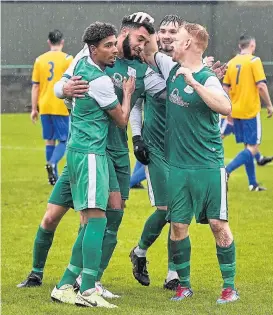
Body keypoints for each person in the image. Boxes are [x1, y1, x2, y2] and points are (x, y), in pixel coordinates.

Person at [17, 12, 164, 298]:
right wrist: (64, 88)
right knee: (54, 217)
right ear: (124, 34)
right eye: (140, 39)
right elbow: (62, 84)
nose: (142, 46)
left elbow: (157, 97)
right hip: (88, 150)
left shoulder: (143, 69)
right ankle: (39, 273)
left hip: (115, 152)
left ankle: (91, 281)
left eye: (148, 41)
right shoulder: (92, 54)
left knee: (111, 215)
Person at [143, 21, 239, 304]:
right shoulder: (171, 68)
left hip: (208, 166)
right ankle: (184, 285)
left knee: (218, 225)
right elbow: (148, 47)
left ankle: (229, 287)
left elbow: (226, 107)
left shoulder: (207, 78)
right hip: (178, 168)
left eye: (177, 37)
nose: (168, 41)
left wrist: (194, 83)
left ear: (187, 45)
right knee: (178, 226)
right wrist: (146, 25)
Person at [49, 22, 135, 308]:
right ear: (92, 48)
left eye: (114, 44)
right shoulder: (98, 81)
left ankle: (64, 285)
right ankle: (88, 289)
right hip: (90, 154)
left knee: (91, 219)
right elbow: (122, 120)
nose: (113, 50)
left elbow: (63, 84)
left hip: (81, 151)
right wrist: (128, 92)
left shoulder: (81, 62)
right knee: (97, 219)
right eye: (107, 46)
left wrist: (63, 89)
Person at [129, 15, 185, 291]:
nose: (165, 35)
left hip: (184, 149)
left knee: (179, 213)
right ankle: (140, 252)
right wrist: (137, 138)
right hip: (156, 146)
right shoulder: (143, 64)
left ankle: (172, 273)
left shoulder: (189, 64)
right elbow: (137, 104)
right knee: (166, 209)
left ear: (182, 35)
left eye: (172, 32)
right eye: (162, 30)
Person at [223, 35, 273, 191]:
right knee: (253, 147)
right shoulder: (254, 61)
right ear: (252, 45)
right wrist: (269, 105)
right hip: (250, 110)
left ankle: (253, 184)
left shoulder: (231, 63)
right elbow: (261, 86)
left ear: (240, 46)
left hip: (235, 110)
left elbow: (225, 88)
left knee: (248, 147)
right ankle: (226, 171)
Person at [31, 30, 73, 184]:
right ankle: (53, 163)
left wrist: (34, 108)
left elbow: (36, 86)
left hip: (44, 105)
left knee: (49, 140)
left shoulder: (39, 60)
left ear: (49, 42)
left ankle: (53, 177)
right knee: (64, 140)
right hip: (60, 104)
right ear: (62, 42)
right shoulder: (68, 59)